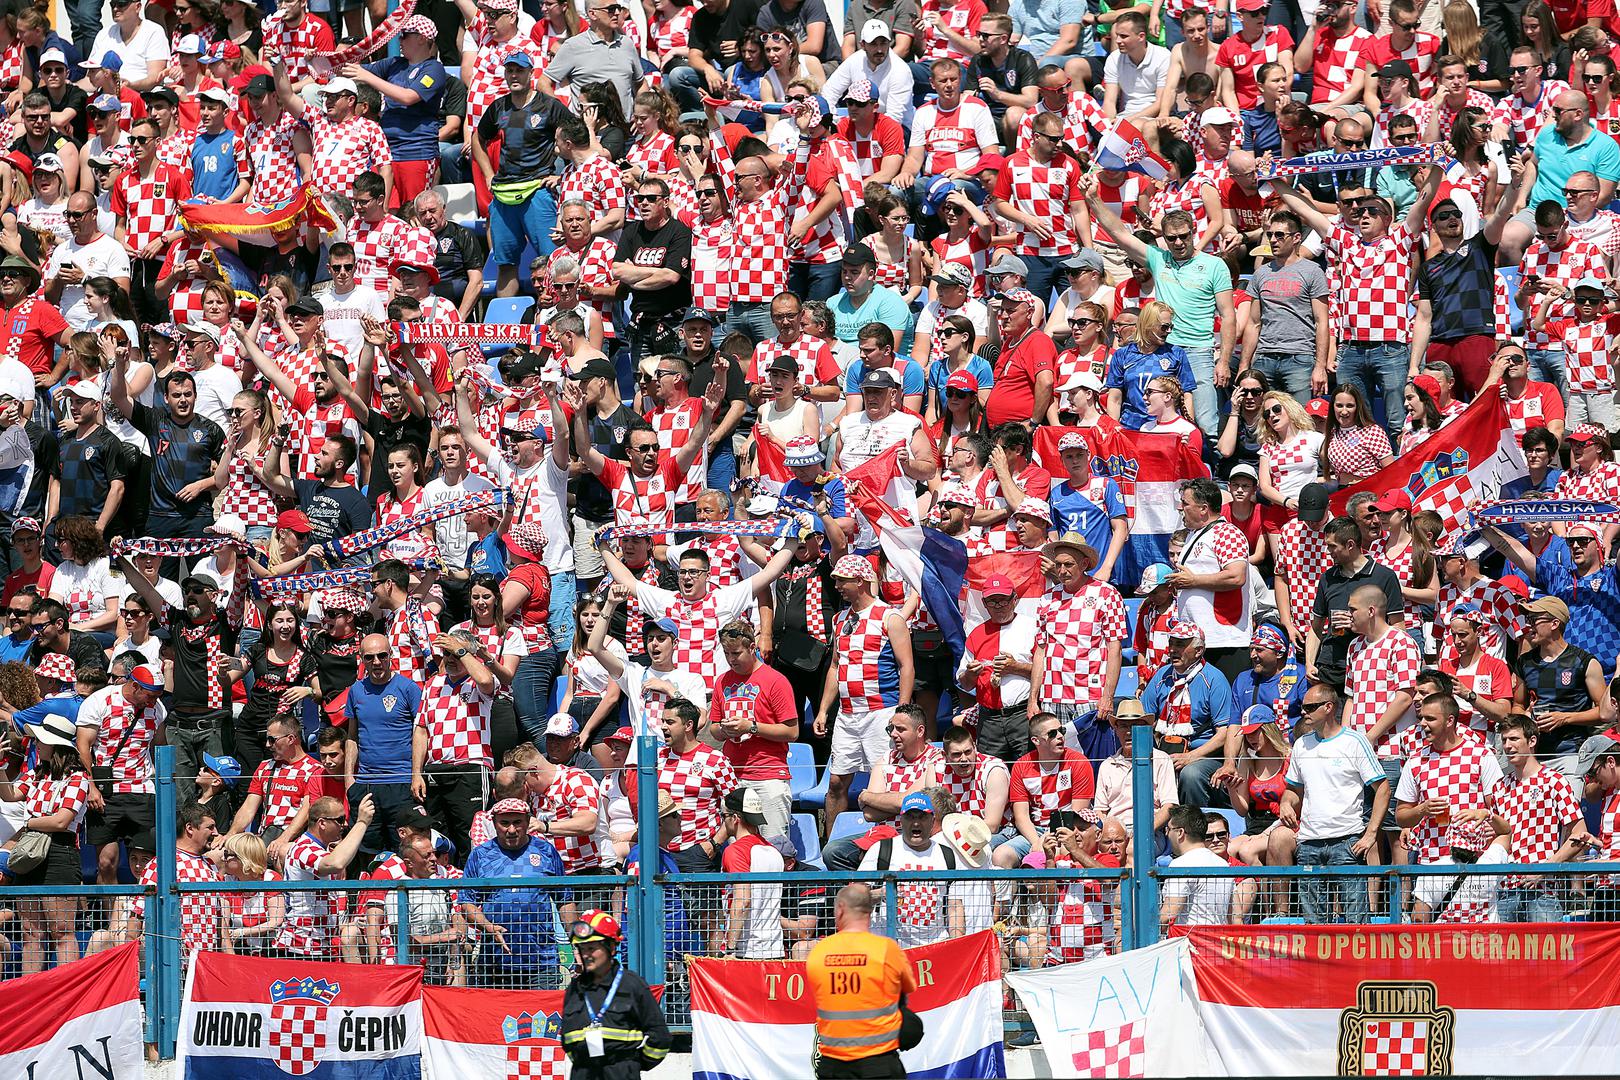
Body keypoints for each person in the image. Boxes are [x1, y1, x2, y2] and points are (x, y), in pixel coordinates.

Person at [1280, 683, 1390, 923]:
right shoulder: (1301, 744)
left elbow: (1382, 788)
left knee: (1355, 923)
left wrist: (1371, 834)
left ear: (1329, 707)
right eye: (1303, 706)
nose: (1303, 712)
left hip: (1347, 841)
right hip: (1309, 842)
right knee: (1313, 924)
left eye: (1309, 707)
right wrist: (1286, 803)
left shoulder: (1354, 742)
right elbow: (1293, 789)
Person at [806, 884, 917, 1080]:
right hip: (879, 1062)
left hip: (833, 1063)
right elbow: (907, 988)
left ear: (840, 909)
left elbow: (819, 993)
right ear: (869, 910)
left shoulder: (819, 951)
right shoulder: (886, 949)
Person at [460, 796, 568, 988]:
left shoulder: (546, 851)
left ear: (528, 821)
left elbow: (565, 900)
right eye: (504, 823)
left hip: (541, 960)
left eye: (517, 822)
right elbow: (467, 903)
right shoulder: (481, 855)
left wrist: (577, 939)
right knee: (494, 1017)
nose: (511, 829)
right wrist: (487, 926)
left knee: (542, 1017)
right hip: (494, 961)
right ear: (494, 823)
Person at [559, 909, 671, 1078]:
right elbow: (567, 1042)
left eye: (591, 948)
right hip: (583, 1072)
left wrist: (634, 1065)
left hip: (620, 1072)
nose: (586, 955)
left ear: (611, 947)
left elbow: (660, 1037)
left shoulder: (632, 985)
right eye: (582, 949)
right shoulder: (575, 988)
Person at [721, 786, 785, 958]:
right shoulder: (774, 851)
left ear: (735, 818)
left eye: (723, 816)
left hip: (747, 951)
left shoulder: (736, 851)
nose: (722, 821)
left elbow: (742, 902)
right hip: (775, 948)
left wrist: (731, 949)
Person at [1159, 803, 1235, 927]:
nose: (1167, 834)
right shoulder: (1224, 864)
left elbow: (1169, 914)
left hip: (1189, 943)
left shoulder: (1181, 864)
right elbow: (1234, 917)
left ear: (1180, 833)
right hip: (1217, 942)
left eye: (1168, 829)